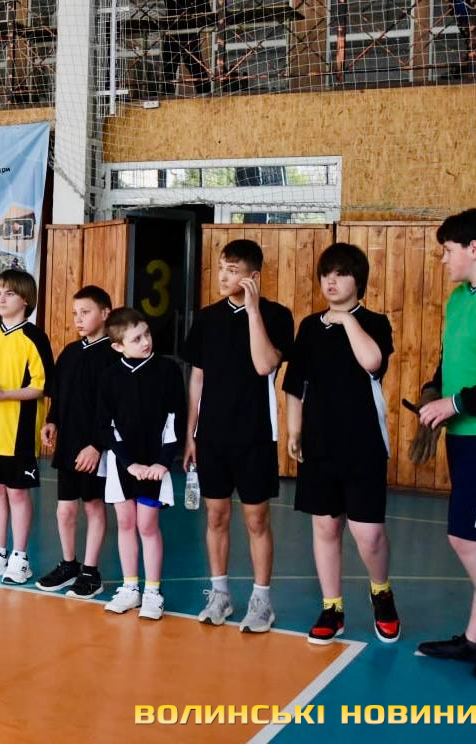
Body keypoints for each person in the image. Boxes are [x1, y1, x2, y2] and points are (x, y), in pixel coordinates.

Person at [283, 243, 399, 645]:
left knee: (369, 535)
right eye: (325, 274)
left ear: (358, 280)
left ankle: (381, 592)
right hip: (319, 444)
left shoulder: (375, 323)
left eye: (340, 274)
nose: (330, 282)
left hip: (364, 444)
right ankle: (332, 607)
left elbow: (372, 362)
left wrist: (347, 319)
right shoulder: (309, 327)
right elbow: (295, 384)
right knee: (326, 526)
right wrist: (294, 431)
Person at [181, 238, 294, 633]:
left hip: (255, 435)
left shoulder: (277, 315)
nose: (223, 276)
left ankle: (262, 601)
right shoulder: (206, 319)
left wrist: (253, 310)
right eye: (221, 268)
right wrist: (190, 434)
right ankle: (220, 594)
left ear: (253, 276)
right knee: (216, 516)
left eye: (233, 270)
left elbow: (265, 365)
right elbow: (197, 378)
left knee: (256, 519)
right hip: (211, 436)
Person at [414, 208, 476, 680]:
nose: (443, 259)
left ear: (474, 248)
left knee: (467, 538)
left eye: (448, 251)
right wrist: (434, 392)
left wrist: (455, 403)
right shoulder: (457, 298)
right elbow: (452, 359)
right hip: (466, 437)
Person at [0, 269, 54, 585]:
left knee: (17, 494)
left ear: (26, 299)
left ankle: (20, 557)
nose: (1, 299)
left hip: (18, 432)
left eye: (9, 293)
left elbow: (41, 387)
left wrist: (3, 395)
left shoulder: (34, 338)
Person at [97, 308, 186, 618]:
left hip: (155, 465)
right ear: (118, 346)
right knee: (125, 523)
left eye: (146, 334)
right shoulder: (109, 377)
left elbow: (175, 419)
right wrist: (128, 463)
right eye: (136, 339)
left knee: (147, 525)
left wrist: (162, 463)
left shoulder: (168, 371)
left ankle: (152, 592)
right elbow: (106, 426)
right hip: (123, 465)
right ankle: (130, 588)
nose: (146, 341)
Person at [36, 285, 117, 598]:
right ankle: (69, 564)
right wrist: (51, 420)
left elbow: (113, 408)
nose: (78, 319)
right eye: (74, 313)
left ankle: (90, 572)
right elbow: (59, 394)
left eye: (85, 312)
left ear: (105, 313)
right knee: (65, 510)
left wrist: (97, 446)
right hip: (68, 445)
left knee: (94, 507)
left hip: (95, 449)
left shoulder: (113, 355)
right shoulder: (70, 352)